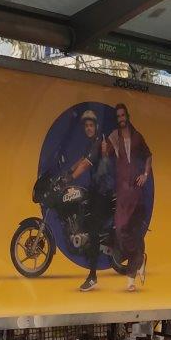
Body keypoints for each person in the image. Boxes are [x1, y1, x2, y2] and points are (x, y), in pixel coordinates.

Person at [107, 103, 151, 292]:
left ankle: (131, 280)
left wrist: (146, 174)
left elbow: (148, 155)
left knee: (132, 232)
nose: (121, 118)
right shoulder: (113, 138)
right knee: (120, 232)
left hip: (135, 192)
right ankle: (140, 259)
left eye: (123, 115)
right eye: (118, 116)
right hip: (122, 192)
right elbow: (103, 155)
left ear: (127, 115)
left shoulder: (137, 137)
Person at [70, 110, 113, 293]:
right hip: (95, 190)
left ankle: (93, 275)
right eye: (86, 126)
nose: (88, 128)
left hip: (103, 192)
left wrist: (71, 176)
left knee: (92, 230)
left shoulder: (98, 144)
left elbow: (87, 163)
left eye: (91, 125)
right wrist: (67, 172)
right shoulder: (91, 144)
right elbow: (81, 160)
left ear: (95, 127)